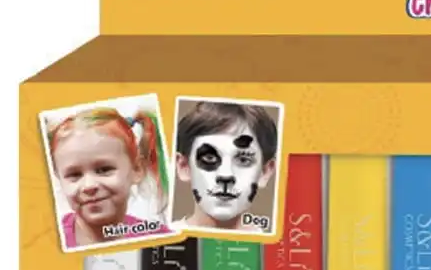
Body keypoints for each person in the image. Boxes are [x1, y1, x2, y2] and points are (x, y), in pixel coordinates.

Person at [46, 107, 172, 249]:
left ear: (137, 169)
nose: (89, 185)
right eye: (74, 174)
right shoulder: (45, 242)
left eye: (104, 170)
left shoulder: (162, 241)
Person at [173, 101, 277, 230]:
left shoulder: (278, 243)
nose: (226, 175)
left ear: (265, 171)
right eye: (209, 158)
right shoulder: (159, 241)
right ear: (183, 166)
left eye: (243, 160)